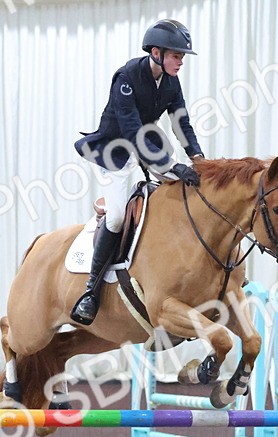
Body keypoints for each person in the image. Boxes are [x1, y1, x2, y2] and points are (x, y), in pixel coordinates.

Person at [70, 19, 206, 325]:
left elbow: (181, 123)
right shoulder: (128, 76)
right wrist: (171, 167)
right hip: (114, 150)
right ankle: (91, 291)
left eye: (182, 57)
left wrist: (197, 159)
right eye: (176, 56)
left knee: (185, 187)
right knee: (117, 216)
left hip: (147, 142)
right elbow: (131, 132)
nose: (180, 62)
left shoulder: (171, 82)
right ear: (156, 53)